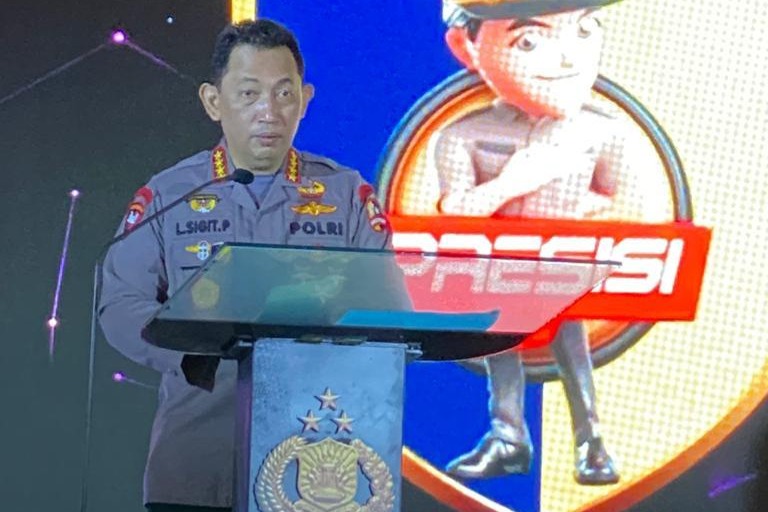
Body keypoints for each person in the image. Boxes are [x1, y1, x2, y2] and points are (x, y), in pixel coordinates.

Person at [98, 19, 392, 512]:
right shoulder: (172, 193)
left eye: (284, 93)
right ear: (214, 101)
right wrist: (192, 354)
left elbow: (385, 303)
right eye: (249, 93)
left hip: (316, 462)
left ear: (305, 99)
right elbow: (120, 304)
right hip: (197, 459)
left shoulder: (346, 194)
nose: (269, 112)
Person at [430, 0, 632, 484]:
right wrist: (511, 184)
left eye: (585, 29)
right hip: (498, 273)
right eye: (529, 40)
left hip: (564, 270)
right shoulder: (463, 135)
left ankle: (591, 441)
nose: (566, 58)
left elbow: (617, 198)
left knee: (573, 349)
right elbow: (454, 213)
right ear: (465, 46)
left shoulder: (601, 130)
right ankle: (508, 438)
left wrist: (570, 215)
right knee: (501, 345)